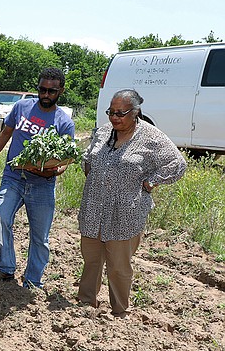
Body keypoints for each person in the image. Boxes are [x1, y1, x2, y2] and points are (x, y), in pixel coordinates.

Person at [78, 89, 185, 316]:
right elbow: (88, 156)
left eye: (121, 113)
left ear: (135, 112)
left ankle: (120, 311)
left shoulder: (152, 137)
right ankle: (86, 305)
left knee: (118, 267)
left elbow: (177, 164)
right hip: (94, 208)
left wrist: (152, 182)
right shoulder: (104, 132)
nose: (115, 117)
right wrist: (88, 166)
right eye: (111, 112)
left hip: (125, 212)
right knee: (91, 260)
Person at [0, 67, 75, 289]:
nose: (45, 95)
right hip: (14, 177)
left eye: (51, 91)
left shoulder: (64, 123)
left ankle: (33, 279)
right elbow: (5, 134)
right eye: (42, 89)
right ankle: (5, 267)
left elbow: (64, 162)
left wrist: (50, 171)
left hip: (42, 184)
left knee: (40, 236)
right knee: (2, 218)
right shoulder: (22, 107)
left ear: (60, 91)